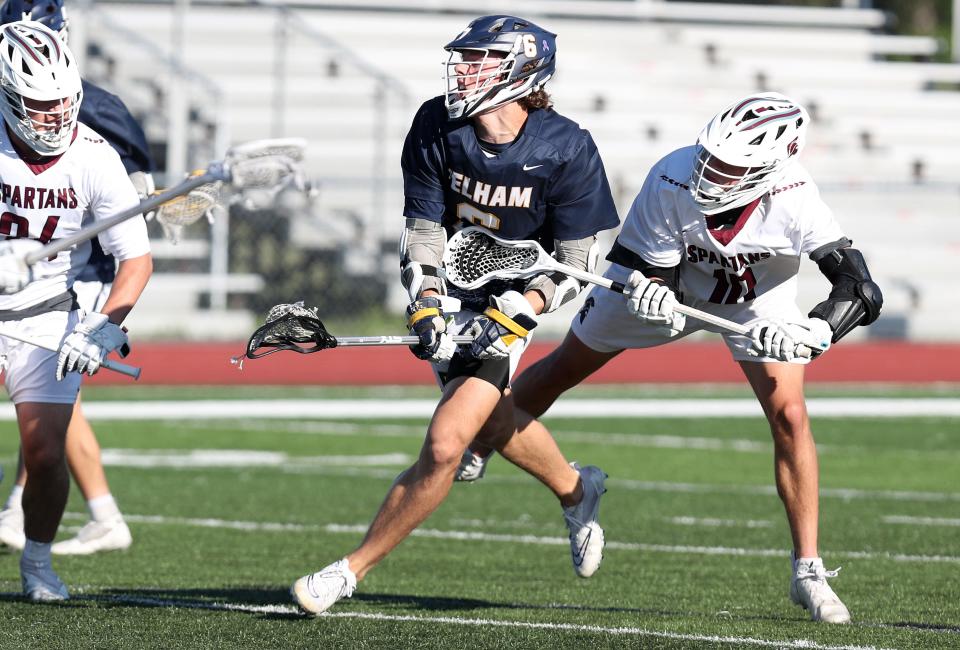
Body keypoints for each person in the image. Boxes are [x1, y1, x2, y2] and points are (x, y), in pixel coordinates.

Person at [462, 92, 883, 624]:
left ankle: (808, 571)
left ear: (772, 166)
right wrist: (655, 289)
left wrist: (820, 329)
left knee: (790, 415)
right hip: (666, 288)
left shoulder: (794, 195)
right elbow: (641, 261)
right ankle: (481, 437)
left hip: (755, 302)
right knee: (563, 367)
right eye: (710, 155)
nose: (711, 170)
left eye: (729, 165)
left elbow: (860, 287)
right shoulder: (673, 175)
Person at [290, 15, 620, 616]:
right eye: (463, 58)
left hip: (516, 298)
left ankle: (347, 571)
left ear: (522, 71)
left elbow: (575, 262)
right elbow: (423, 227)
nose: (462, 70)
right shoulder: (436, 123)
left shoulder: (567, 146)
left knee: (447, 446)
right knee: (492, 426)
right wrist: (423, 299)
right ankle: (578, 489)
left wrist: (524, 308)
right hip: (454, 288)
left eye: (479, 60)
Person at [0, 20, 152, 600]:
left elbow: (135, 260)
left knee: (43, 452)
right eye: (40, 106)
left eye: (64, 102)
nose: (55, 117)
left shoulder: (94, 155)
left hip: (45, 311)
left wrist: (104, 325)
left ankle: (37, 563)